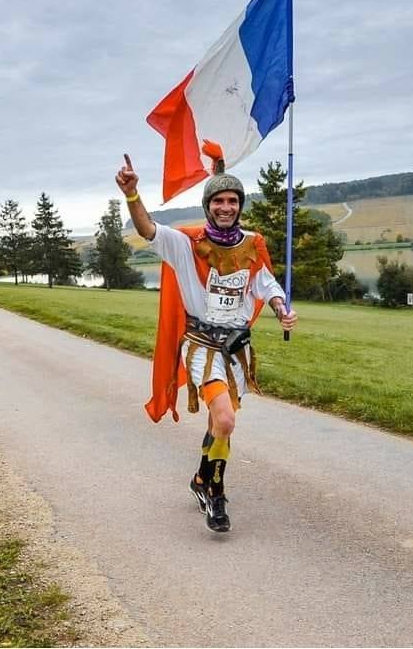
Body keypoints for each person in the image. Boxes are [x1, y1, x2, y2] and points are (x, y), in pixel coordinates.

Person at [116, 143, 298, 533]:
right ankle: (215, 493)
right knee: (227, 419)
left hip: (237, 350)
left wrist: (283, 310)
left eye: (233, 200)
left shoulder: (253, 245)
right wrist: (132, 194)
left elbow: (267, 285)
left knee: (222, 422)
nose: (227, 207)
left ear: (240, 205)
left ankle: (200, 479)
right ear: (208, 205)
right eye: (219, 200)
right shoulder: (185, 245)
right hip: (201, 346)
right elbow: (147, 228)